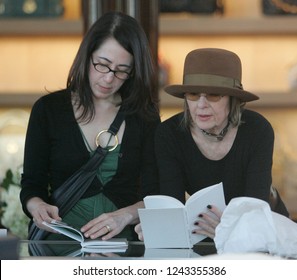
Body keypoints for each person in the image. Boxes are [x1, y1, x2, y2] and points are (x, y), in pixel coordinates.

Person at [20, 11, 160, 242]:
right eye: (102, 65)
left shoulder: (144, 117)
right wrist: (37, 206)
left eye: (122, 70)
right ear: (86, 57)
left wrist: (125, 216)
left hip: (123, 248)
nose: (108, 79)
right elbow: (31, 184)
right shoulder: (48, 110)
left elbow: (156, 196)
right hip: (59, 245)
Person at [135, 48, 289, 241]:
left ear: (233, 100)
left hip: (262, 232)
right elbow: (172, 203)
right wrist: (162, 228)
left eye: (213, 95)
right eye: (192, 94)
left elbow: (255, 205)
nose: (201, 104)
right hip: (204, 229)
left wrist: (228, 229)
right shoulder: (169, 134)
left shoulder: (258, 130)